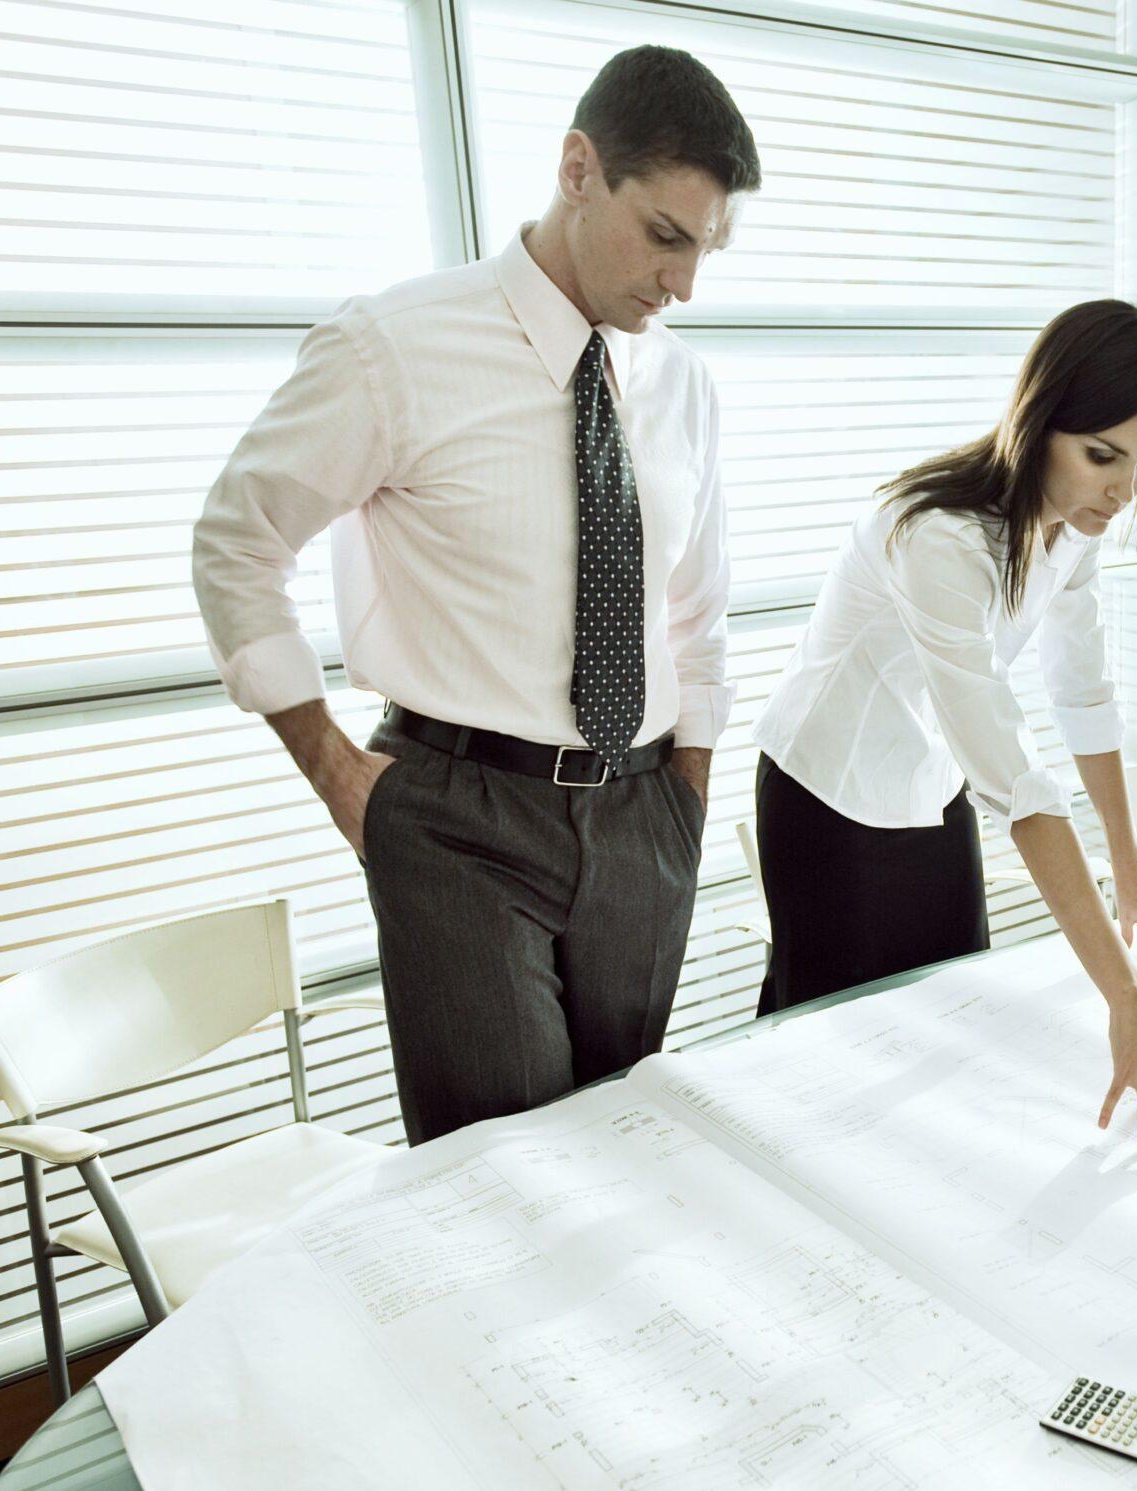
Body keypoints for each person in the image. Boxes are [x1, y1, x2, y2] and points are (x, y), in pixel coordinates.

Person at [191, 47, 761, 1145]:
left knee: (623, 1147)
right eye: (665, 237)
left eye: (708, 250)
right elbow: (236, 542)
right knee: (495, 1179)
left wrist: (685, 790)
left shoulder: (680, 382)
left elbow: (698, 608)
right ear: (579, 169)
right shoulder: (392, 347)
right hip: (459, 823)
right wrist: (342, 779)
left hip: (644, 819)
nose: (683, 284)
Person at [750, 300, 1137, 1157]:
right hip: (826, 788)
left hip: (929, 779)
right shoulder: (939, 535)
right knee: (828, 1051)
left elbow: (1082, 693)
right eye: (1102, 456)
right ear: (1040, 423)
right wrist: (1126, 997)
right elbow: (1017, 781)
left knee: (955, 1018)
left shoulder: (1075, 528)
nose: (1124, 489)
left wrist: (1128, 869)